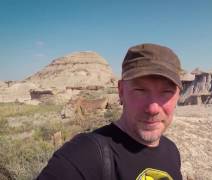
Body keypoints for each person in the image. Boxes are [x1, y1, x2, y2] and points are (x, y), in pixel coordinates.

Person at [37, 43, 183, 180]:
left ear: (178, 96)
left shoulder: (172, 151)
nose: (153, 108)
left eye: (166, 92)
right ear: (121, 91)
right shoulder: (85, 155)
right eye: (140, 90)